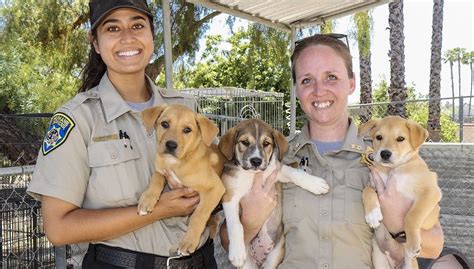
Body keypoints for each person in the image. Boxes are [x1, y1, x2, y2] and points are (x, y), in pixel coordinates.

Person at [220, 33, 466, 269]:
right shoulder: (278, 157)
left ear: (351, 83)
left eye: (331, 77)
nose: (319, 91)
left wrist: (397, 226)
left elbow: (434, 246)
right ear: (296, 89)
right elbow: (227, 242)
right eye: (307, 80)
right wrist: (250, 221)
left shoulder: (383, 157)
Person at [27, 0, 217, 268]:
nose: (128, 37)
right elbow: (59, 229)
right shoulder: (79, 118)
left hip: (202, 260)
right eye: (113, 28)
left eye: (137, 25)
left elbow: (219, 178)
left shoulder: (186, 108)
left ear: (152, 35)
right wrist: (159, 209)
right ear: (95, 42)